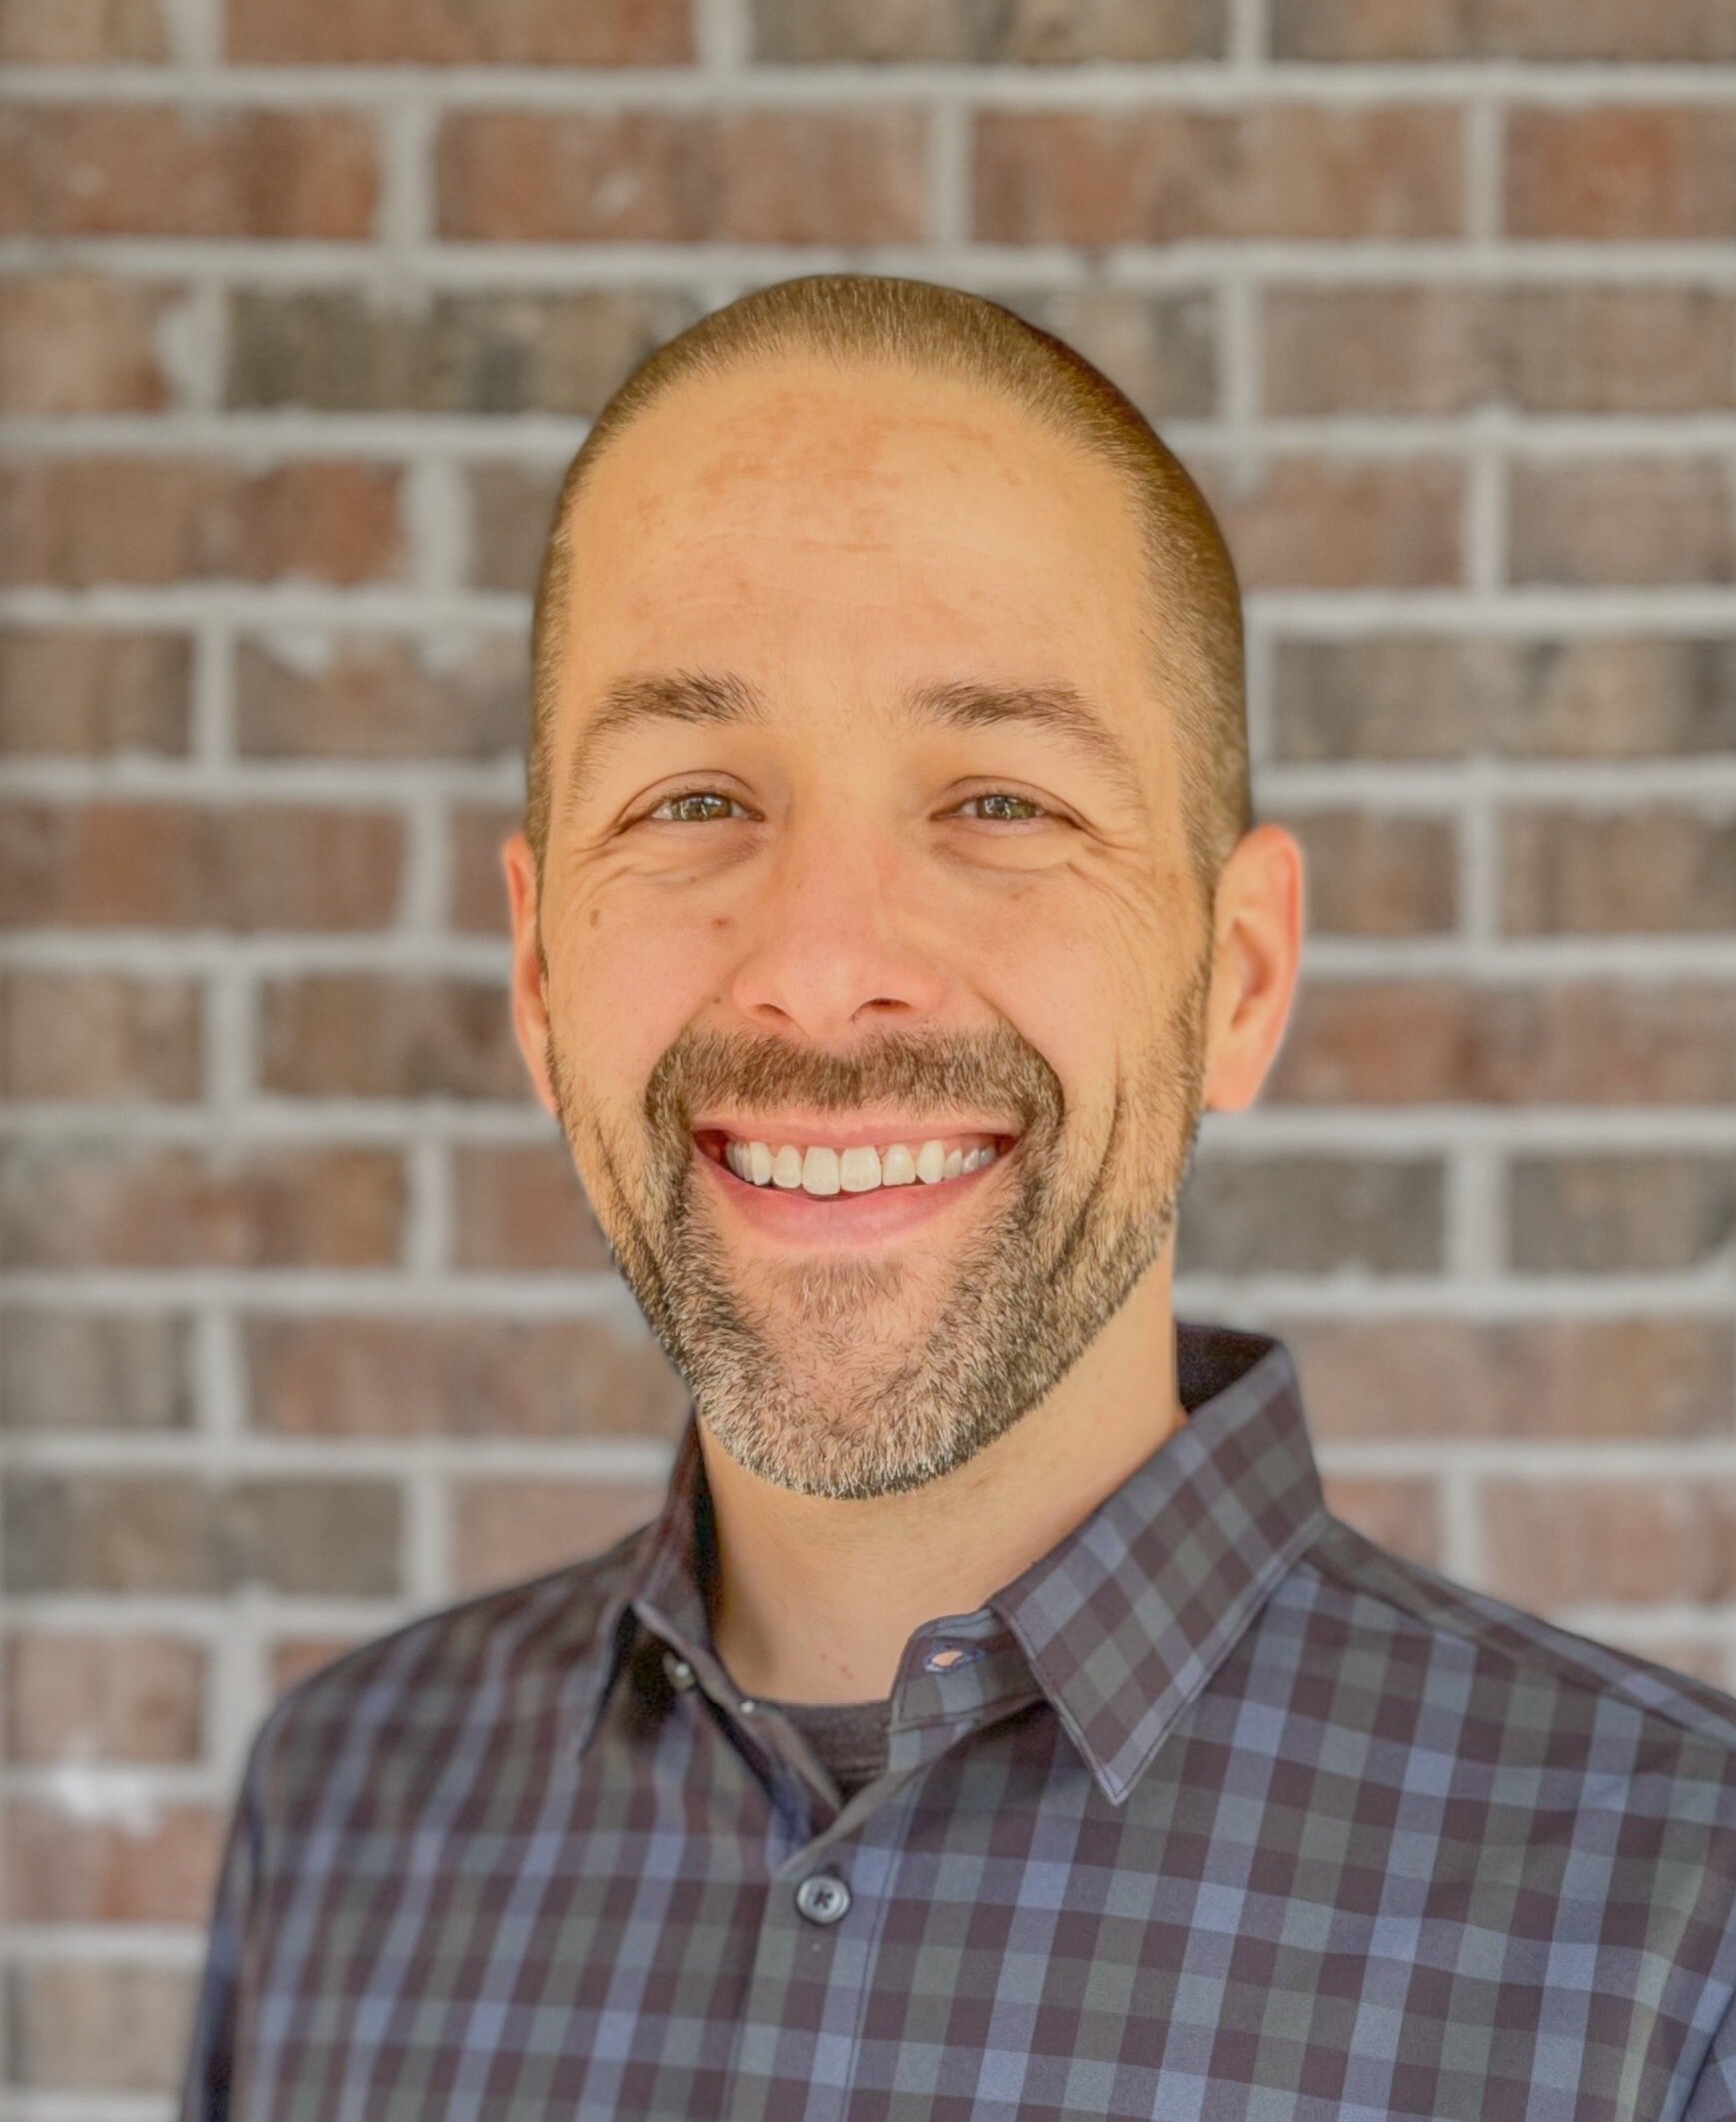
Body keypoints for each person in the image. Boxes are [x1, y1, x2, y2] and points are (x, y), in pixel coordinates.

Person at [180, 274, 1736, 2121]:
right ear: (535, 979)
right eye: (690, 802)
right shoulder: (344, 1815)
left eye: (997, 800)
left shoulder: (1679, 1923)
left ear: (1235, 979)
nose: (823, 968)